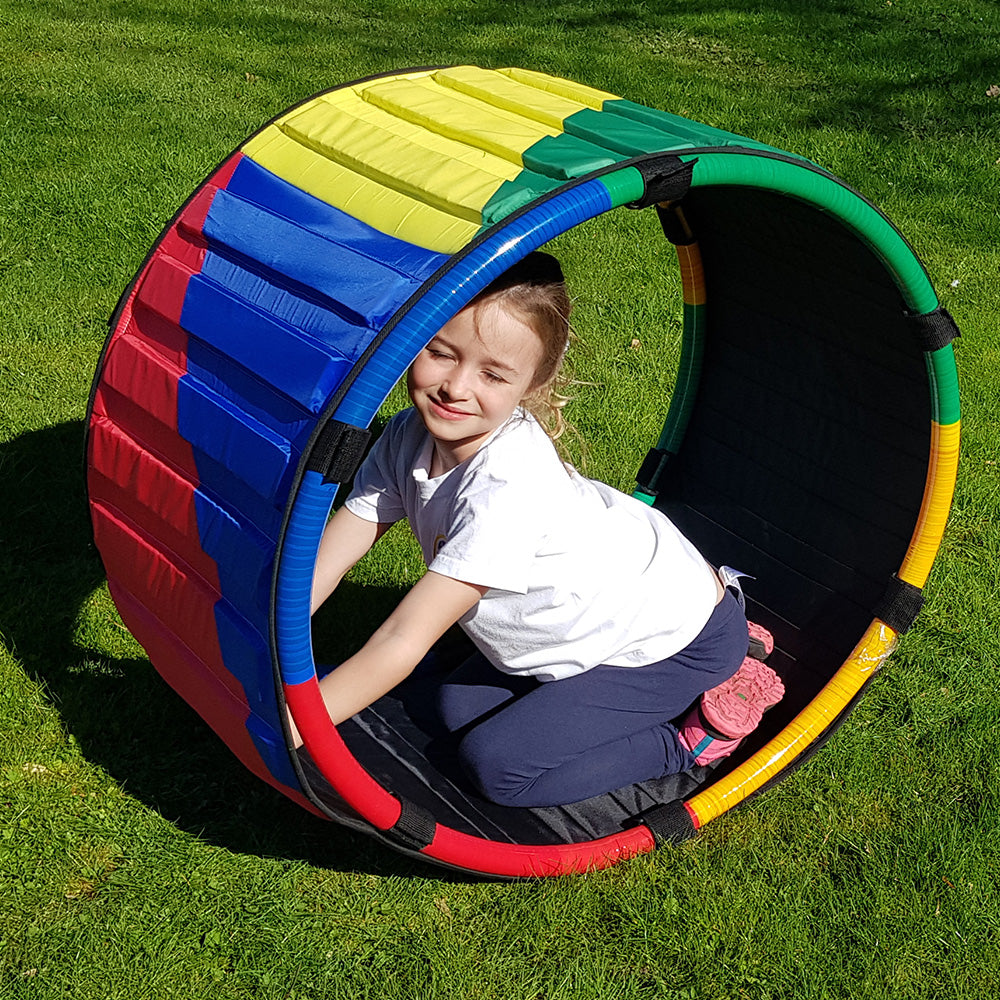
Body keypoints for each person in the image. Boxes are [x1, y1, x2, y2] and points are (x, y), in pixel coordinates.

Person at [301, 251, 783, 808]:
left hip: (675, 642)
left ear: (535, 380)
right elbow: (328, 560)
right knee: (449, 707)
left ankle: (688, 739)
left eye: (492, 374)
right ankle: (720, 647)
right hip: (607, 611)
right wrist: (260, 638)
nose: (455, 387)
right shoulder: (407, 436)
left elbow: (402, 638)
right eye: (440, 352)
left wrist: (296, 723)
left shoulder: (507, 488)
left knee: (499, 765)